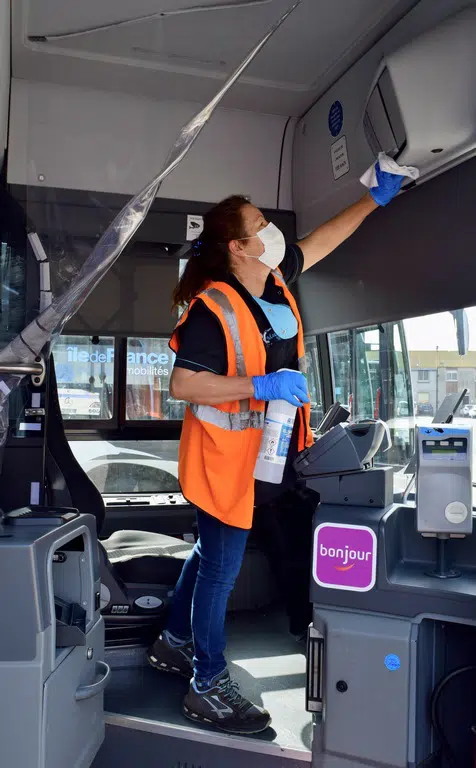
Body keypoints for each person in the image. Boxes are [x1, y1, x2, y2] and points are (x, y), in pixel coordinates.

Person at [148, 162, 404, 735]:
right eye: (261, 224)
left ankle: (172, 642)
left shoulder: (274, 280)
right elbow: (183, 386)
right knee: (221, 569)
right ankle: (206, 685)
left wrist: (374, 199)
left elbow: (321, 241)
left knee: (209, 556)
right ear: (239, 246)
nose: (273, 231)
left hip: (270, 453)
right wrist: (260, 386)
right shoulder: (213, 307)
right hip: (223, 459)